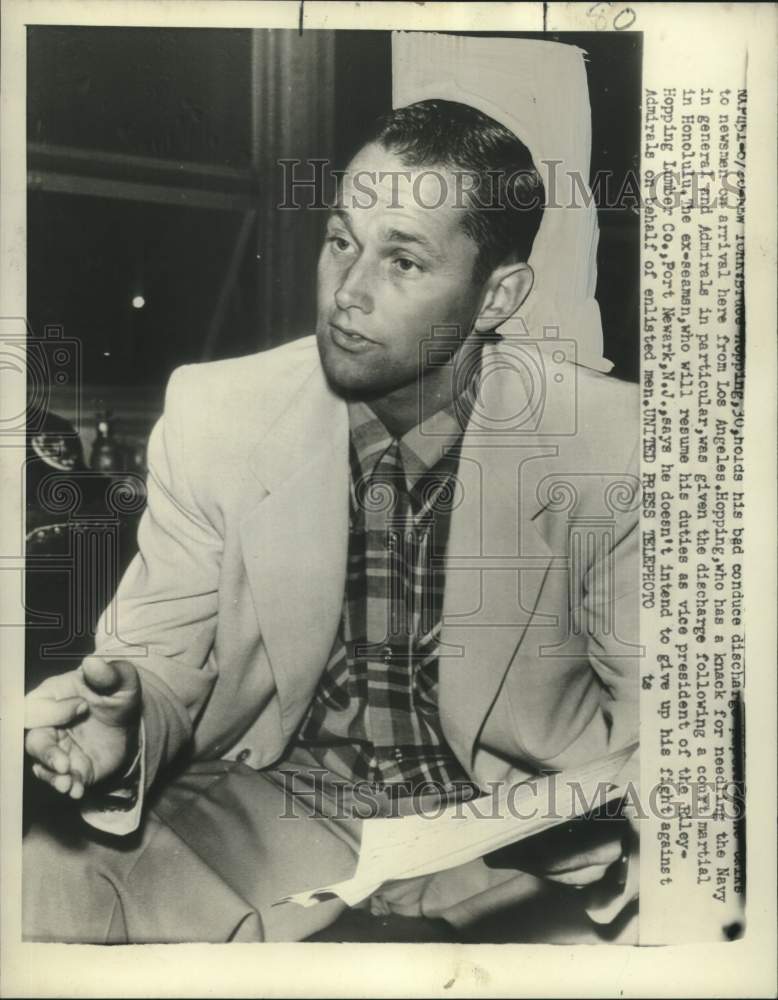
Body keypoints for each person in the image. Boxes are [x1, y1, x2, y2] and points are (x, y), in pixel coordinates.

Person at [23, 100, 640, 943]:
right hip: (289, 801)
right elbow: (160, 663)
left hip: (518, 833)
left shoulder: (615, 447)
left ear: (496, 295)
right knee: (38, 881)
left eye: (404, 262)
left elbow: (671, 727)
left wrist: (596, 827)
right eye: (342, 240)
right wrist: (124, 728)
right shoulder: (219, 414)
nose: (347, 293)